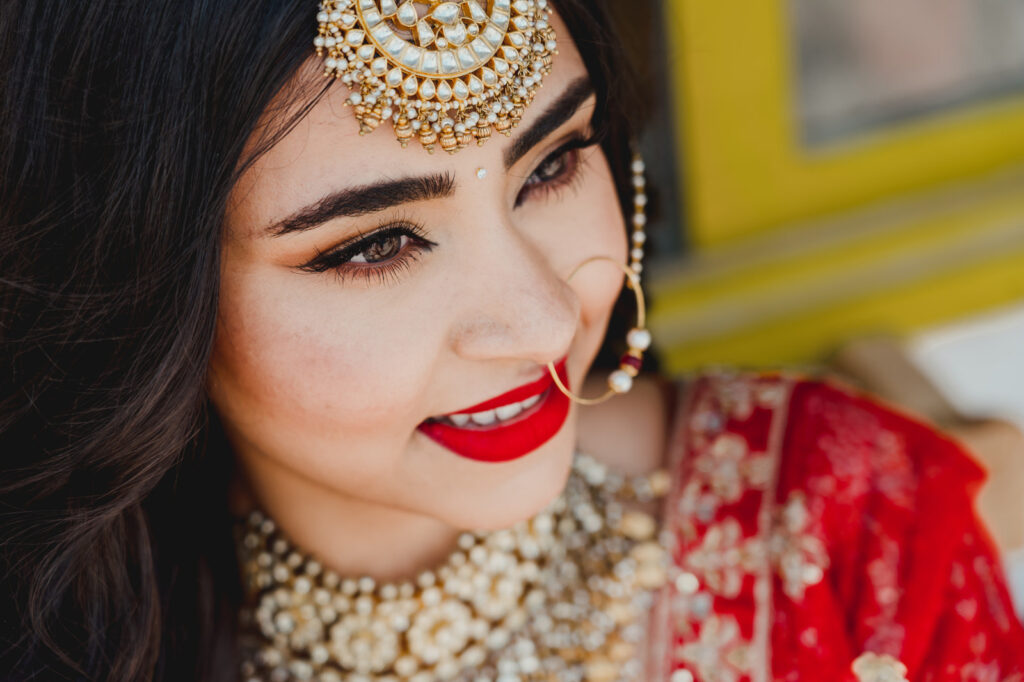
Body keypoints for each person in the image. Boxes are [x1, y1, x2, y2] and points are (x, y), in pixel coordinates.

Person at [1, 1, 1022, 681]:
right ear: (147, 298)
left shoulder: (856, 529)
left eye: (551, 165)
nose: (540, 321)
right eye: (377, 244)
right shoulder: (65, 630)